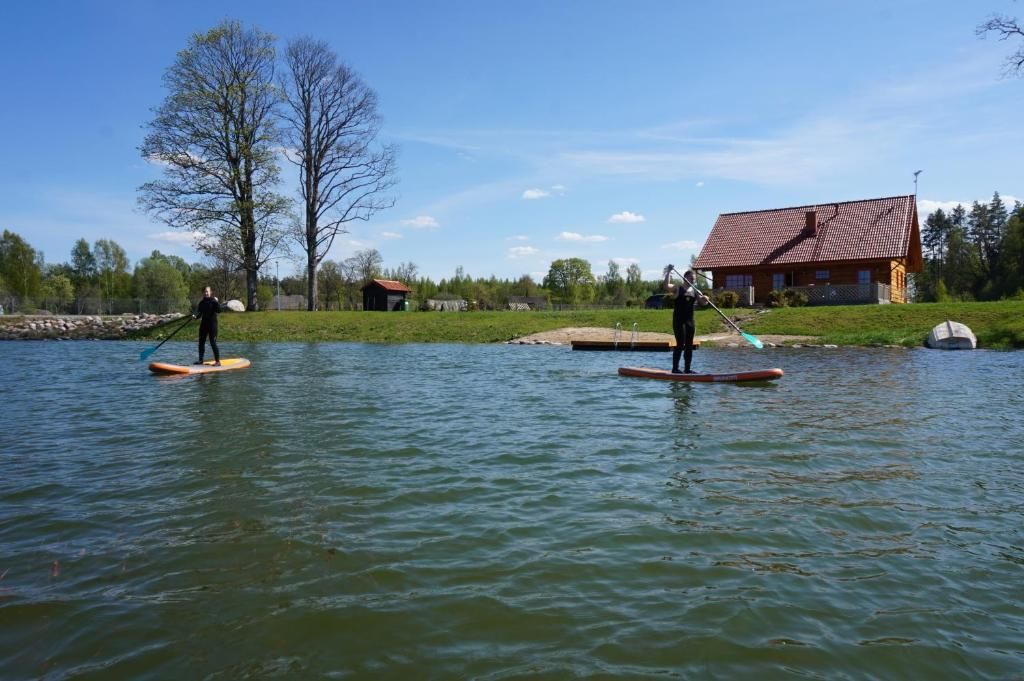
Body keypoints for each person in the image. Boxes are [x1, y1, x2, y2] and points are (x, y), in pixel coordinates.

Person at [663, 265, 700, 374]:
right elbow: (666, 286)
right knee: (680, 344)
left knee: (689, 345)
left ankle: (687, 369)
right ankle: (675, 369)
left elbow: (703, 303)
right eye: (691, 278)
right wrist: (669, 272)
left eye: (694, 279)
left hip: (690, 321)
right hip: (679, 321)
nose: (693, 280)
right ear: (685, 278)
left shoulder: (695, 291)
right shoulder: (678, 288)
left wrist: (705, 299)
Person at [192, 286, 222, 366]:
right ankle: (200, 360)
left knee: (213, 343)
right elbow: (199, 314)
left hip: (212, 325)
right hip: (204, 324)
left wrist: (216, 302)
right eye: (204, 292)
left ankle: (218, 362)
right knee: (201, 342)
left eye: (207, 291)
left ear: (210, 292)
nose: (206, 293)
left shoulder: (213, 301)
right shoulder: (201, 303)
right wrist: (195, 317)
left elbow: (219, 310)